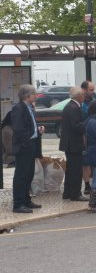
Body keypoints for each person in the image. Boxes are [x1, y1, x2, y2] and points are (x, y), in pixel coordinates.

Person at [11, 84, 45, 213]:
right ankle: (18, 204)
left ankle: (26, 200)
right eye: (34, 94)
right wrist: (27, 143)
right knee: (21, 175)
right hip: (24, 147)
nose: (35, 96)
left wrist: (38, 130)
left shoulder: (30, 107)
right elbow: (19, 129)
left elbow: (29, 125)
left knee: (29, 174)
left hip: (31, 146)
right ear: (27, 96)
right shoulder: (19, 108)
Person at [59, 87, 88, 201]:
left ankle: (67, 192)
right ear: (79, 96)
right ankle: (75, 194)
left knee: (70, 169)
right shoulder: (74, 107)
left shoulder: (70, 106)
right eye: (83, 95)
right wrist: (86, 124)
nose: (84, 97)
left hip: (69, 143)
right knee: (75, 170)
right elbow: (76, 125)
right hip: (74, 143)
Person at [80, 80, 96, 194]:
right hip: (85, 136)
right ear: (84, 90)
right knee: (86, 162)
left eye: (93, 90)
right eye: (91, 90)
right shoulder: (79, 103)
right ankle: (87, 185)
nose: (93, 92)